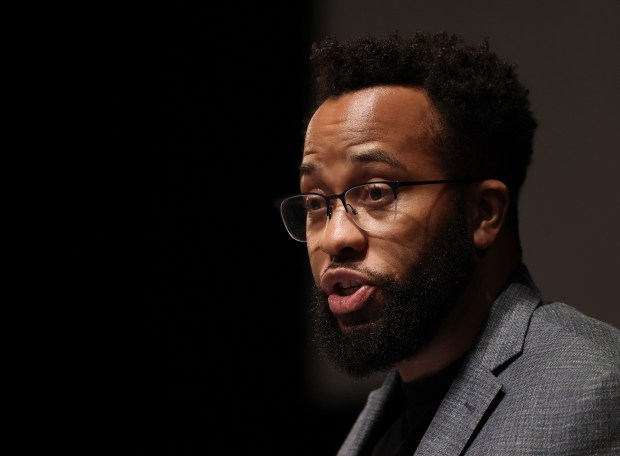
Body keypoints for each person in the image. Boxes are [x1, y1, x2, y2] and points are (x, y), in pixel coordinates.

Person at [273, 31, 620, 455]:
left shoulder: (595, 389)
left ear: (484, 212)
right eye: (314, 202)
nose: (335, 236)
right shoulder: (379, 418)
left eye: (377, 192)